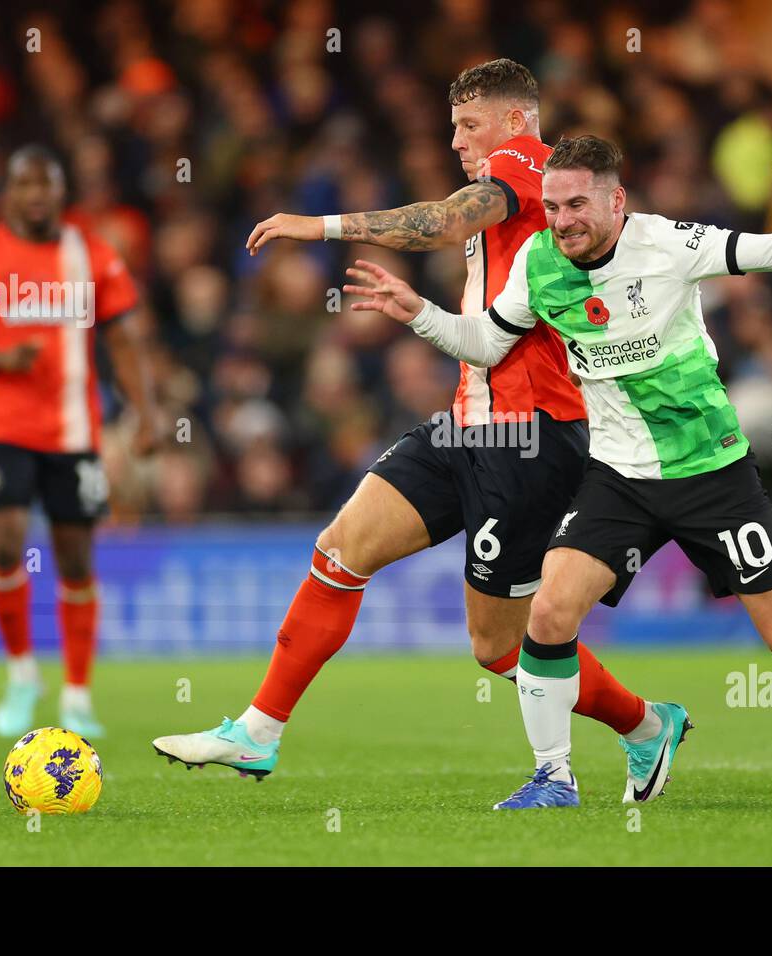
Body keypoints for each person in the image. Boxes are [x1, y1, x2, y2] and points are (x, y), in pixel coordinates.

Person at [343, 135, 772, 809]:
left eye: (577, 203)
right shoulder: (540, 263)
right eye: (551, 205)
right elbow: (486, 342)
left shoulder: (667, 246)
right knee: (548, 611)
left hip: (710, 473)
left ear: (615, 200)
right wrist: (421, 315)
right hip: (618, 477)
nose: (562, 219)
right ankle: (554, 778)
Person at [154, 61, 671, 796]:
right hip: (469, 423)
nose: (456, 140)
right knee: (339, 551)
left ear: (516, 122)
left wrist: (321, 225)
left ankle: (647, 726)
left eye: (469, 124)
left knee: (498, 648)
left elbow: (448, 220)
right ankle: (257, 732)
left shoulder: (531, 163)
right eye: (453, 125)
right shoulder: (516, 189)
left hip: (530, 436)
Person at [0, 145, 158, 738]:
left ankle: (78, 695)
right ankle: (22, 672)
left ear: (61, 192)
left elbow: (125, 341)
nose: (36, 195)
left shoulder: (93, 254)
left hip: (74, 432)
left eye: (47, 184)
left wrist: (148, 412)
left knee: (77, 559)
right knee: (5, 546)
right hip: (3, 426)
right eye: (25, 184)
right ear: (7, 191)